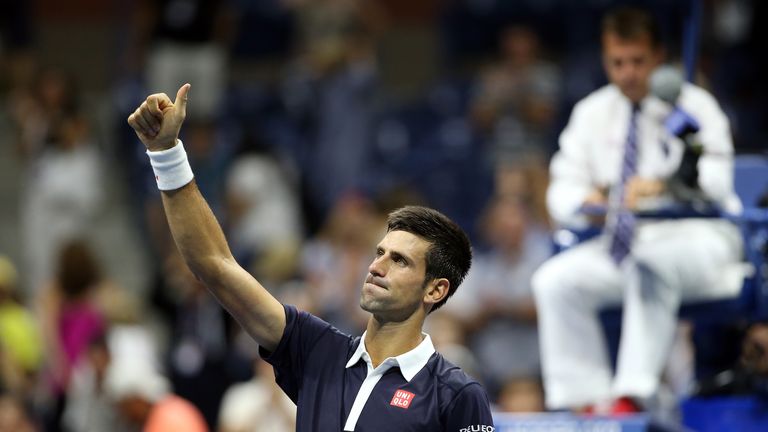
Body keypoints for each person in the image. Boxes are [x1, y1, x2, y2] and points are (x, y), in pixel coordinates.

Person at [126, 84, 494, 430]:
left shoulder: (456, 395)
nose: (376, 266)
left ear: (435, 290)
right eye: (379, 252)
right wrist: (167, 153)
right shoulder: (317, 351)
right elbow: (214, 265)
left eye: (399, 261)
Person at [531, 6, 743, 414]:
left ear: (658, 57)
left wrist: (664, 186)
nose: (628, 72)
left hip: (701, 244)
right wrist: (585, 203)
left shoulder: (694, 106)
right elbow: (562, 189)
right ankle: (587, 400)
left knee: (650, 264)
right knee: (555, 280)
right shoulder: (591, 113)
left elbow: (718, 181)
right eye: (618, 62)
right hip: (625, 245)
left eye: (638, 61)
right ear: (605, 59)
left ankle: (633, 395)